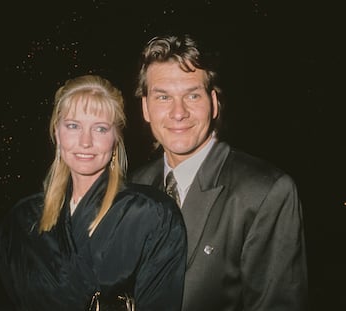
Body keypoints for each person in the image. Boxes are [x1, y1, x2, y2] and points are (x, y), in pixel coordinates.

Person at [129, 34, 308, 311]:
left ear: (213, 102)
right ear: (146, 108)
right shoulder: (134, 185)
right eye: (163, 96)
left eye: (192, 95)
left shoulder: (265, 191)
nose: (178, 112)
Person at [0, 74, 187, 311]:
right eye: (73, 126)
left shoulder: (153, 215)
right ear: (57, 132)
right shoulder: (22, 220)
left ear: (116, 138)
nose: (85, 141)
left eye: (100, 128)